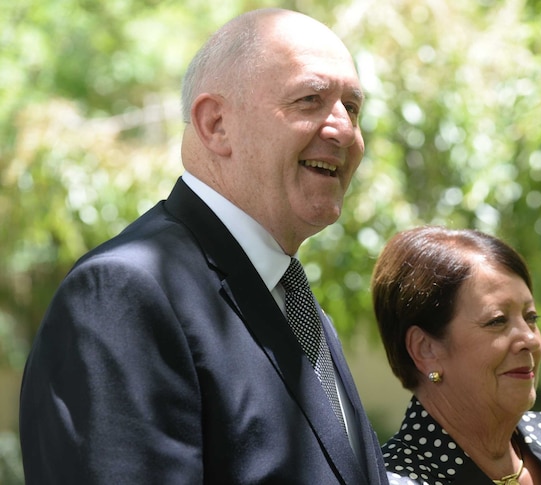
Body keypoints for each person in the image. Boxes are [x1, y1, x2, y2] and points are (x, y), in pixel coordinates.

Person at [19, 8, 388, 484]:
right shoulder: (122, 294)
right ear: (215, 124)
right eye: (310, 100)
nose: (344, 131)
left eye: (353, 108)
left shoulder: (294, 302)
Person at [371, 226, 541, 485]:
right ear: (425, 349)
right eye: (497, 321)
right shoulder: (390, 481)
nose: (529, 339)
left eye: (531, 318)